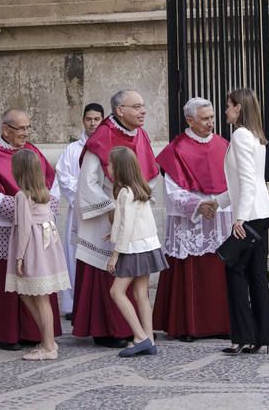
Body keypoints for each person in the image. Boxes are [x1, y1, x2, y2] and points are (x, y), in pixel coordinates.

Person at [0, 108, 62, 351]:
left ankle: (37, 333)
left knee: (37, 279)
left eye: (27, 127)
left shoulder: (33, 152)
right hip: (2, 228)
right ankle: (5, 333)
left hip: (34, 229)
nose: (25, 133)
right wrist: (27, 209)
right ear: (5, 129)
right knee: (5, 281)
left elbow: (52, 185)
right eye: (20, 128)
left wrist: (38, 206)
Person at [74, 90, 160, 348]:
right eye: (136, 106)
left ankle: (139, 334)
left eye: (143, 105)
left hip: (129, 216)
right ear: (120, 110)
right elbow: (87, 182)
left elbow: (151, 173)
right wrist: (112, 208)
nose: (143, 111)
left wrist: (133, 203)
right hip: (104, 215)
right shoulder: (102, 136)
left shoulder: (141, 135)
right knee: (107, 273)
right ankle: (108, 329)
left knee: (132, 283)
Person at [152, 97, 233, 341]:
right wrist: (198, 205)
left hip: (220, 215)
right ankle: (189, 326)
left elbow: (234, 180)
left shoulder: (223, 145)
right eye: (205, 119)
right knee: (191, 271)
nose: (211, 123)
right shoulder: (177, 148)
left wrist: (218, 203)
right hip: (192, 220)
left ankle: (221, 324)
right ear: (190, 120)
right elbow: (172, 189)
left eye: (212, 118)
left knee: (219, 271)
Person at [215, 88, 269, 355]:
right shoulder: (256, 136)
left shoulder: (240, 135)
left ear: (238, 108)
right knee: (256, 275)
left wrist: (239, 217)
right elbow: (246, 182)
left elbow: (248, 180)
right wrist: (217, 203)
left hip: (250, 215)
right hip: (261, 213)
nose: (225, 110)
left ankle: (242, 337)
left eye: (228, 105)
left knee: (234, 270)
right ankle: (260, 337)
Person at [5, 149, 71, 361]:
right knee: (29, 294)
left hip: (33, 248)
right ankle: (46, 338)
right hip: (47, 247)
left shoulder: (22, 196)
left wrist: (19, 257)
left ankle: (49, 346)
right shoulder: (43, 193)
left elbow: (24, 228)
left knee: (40, 298)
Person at [106, 146, 167, 357]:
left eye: (110, 164)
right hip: (147, 245)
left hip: (132, 249)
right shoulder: (138, 189)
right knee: (141, 294)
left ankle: (140, 337)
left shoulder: (125, 192)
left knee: (117, 292)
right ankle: (148, 339)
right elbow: (131, 222)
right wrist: (113, 233)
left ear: (120, 168)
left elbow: (127, 226)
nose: (108, 167)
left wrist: (115, 254)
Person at [54, 102, 104, 318]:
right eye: (88, 119)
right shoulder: (72, 150)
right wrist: (85, 198)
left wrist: (97, 199)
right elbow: (64, 178)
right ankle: (75, 304)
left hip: (102, 211)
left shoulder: (106, 146)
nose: (92, 123)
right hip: (79, 212)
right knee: (75, 255)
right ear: (83, 120)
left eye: (96, 119)